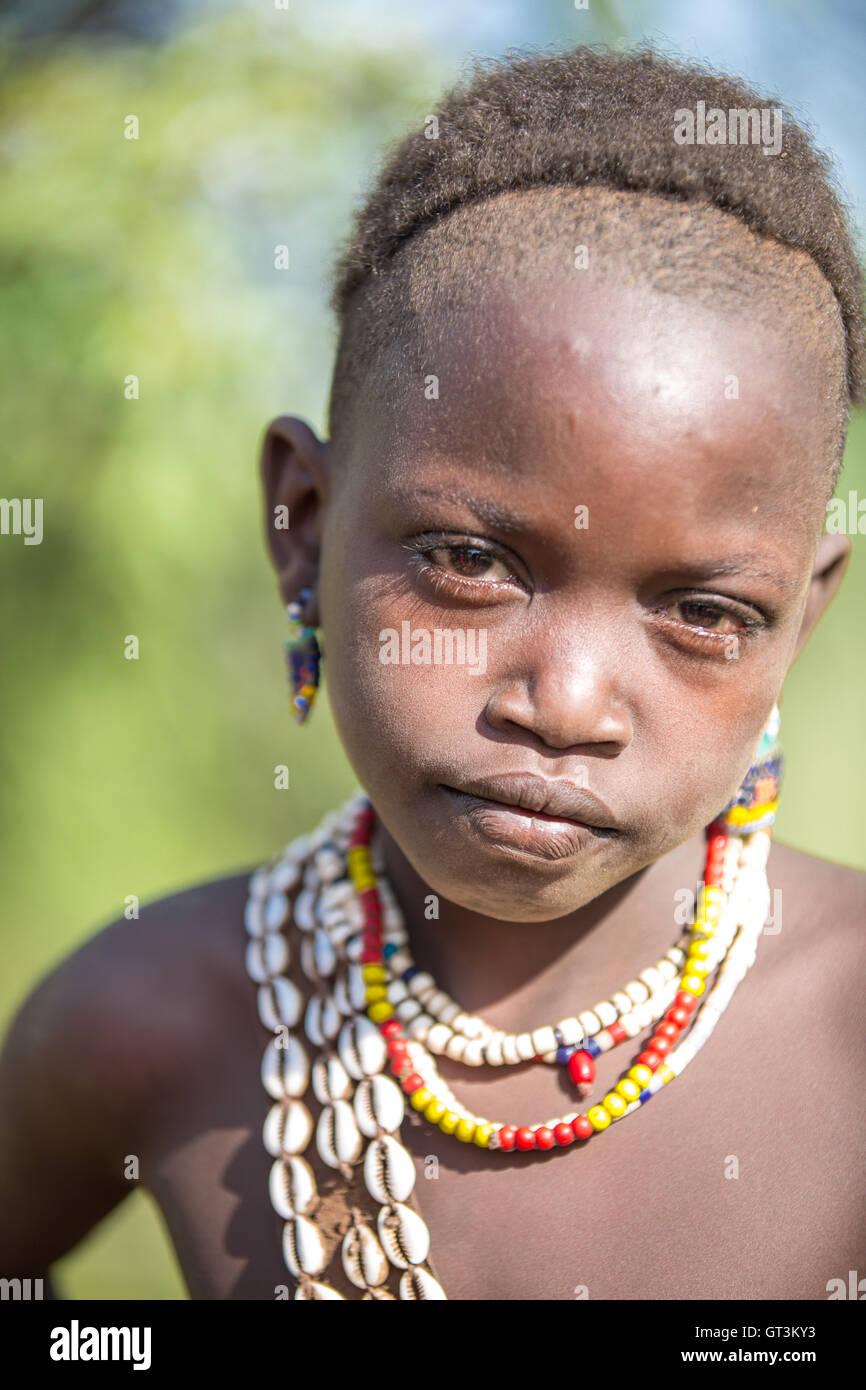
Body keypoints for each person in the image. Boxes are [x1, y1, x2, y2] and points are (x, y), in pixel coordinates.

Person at [2, 44, 865, 1302]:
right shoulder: (149, 1016)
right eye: (469, 559)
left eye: (702, 610)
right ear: (302, 519)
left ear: (800, 615)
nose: (563, 705)